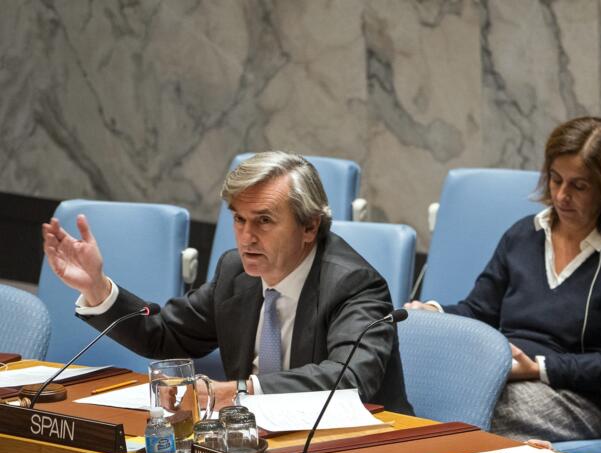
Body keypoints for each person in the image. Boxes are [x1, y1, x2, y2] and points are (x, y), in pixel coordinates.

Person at [42, 151, 411, 412]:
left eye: (264, 221)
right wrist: (96, 287)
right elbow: (165, 334)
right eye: (239, 220)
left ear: (310, 226)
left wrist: (242, 391)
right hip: (261, 444)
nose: (246, 237)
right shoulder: (238, 272)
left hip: (361, 445)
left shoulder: (354, 284)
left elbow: (349, 379)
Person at [409, 117, 601, 442]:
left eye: (579, 186)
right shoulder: (524, 235)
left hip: (578, 398)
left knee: (468, 412)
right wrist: (432, 312)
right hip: (501, 375)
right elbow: (480, 309)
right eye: (556, 180)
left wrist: (539, 368)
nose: (562, 195)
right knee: (419, 393)